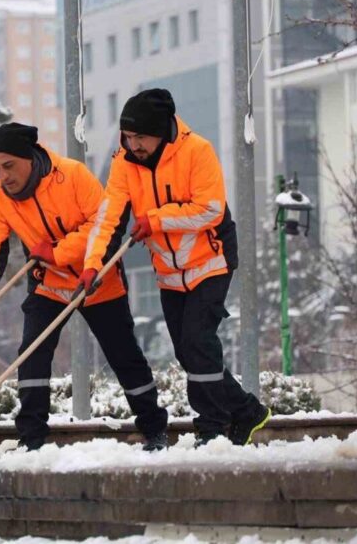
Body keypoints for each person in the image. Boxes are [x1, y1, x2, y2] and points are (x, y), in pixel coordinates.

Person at [81, 88, 270, 447]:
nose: (133, 145)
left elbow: (210, 209)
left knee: (198, 343)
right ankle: (240, 413)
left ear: (161, 131)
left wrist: (155, 220)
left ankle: (215, 424)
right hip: (168, 271)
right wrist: (93, 264)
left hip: (210, 261)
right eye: (128, 136)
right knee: (187, 351)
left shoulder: (197, 151)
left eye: (140, 137)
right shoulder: (124, 162)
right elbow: (108, 218)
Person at [0, 122, 168, 452]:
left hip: (97, 279)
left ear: (29, 157)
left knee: (123, 355)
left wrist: (58, 252)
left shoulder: (72, 175)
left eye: (9, 166)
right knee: (32, 353)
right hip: (49, 284)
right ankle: (31, 438)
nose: (3, 176)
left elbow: (103, 224)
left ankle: (155, 428)